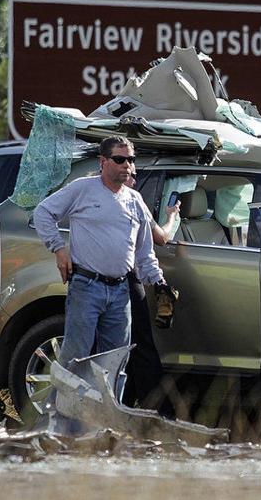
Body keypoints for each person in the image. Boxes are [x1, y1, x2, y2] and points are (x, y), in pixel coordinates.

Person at [33, 136, 168, 426]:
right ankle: (54, 424)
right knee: (75, 358)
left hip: (120, 291)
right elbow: (43, 212)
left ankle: (103, 426)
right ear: (103, 162)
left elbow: (145, 252)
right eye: (120, 159)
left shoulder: (134, 200)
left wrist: (159, 281)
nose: (127, 166)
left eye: (131, 159)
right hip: (87, 286)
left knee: (115, 362)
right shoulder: (84, 189)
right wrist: (58, 248)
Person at [121, 180, 181, 411]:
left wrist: (158, 281)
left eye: (134, 170)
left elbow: (150, 246)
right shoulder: (92, 194)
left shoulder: (135, 200)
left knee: (134, 345)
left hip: (129, 278)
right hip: (112, 280)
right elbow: (162, 237)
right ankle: (156, 412)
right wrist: (172, 216)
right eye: (124, 164)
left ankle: (132, 405)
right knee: (136, 346)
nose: (132, 176)